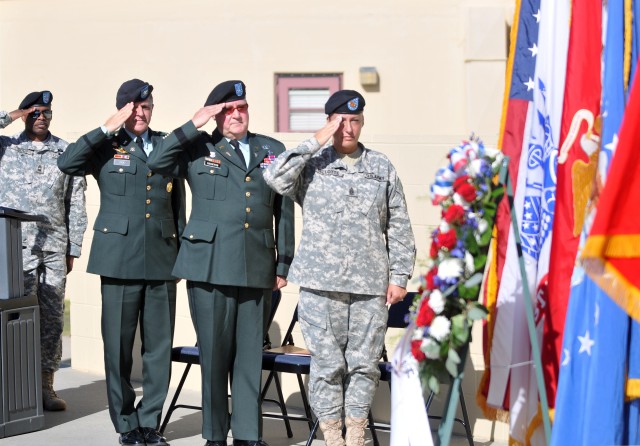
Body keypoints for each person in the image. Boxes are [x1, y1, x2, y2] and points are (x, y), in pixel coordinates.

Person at [263, 90, 416, 446]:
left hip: (370, 285)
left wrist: (399, 276)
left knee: (363, 365)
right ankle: (332, 435)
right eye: (340, 121)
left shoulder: (381, 167)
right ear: (330, 122)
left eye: (355, 121)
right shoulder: (312, 165)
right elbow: (274, 177)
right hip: (320, 284)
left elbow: (399, 224)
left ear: (362, 122)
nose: (348, 128)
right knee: (328, 364)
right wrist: (317, 139)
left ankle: (356, 433)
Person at [146, 80, 294, 446]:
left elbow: (284, 209)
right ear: (215, 114)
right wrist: (196, 122)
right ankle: (215, 434)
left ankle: (247, 434)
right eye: (227, 109)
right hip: (208, 265)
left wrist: (283, 263)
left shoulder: (271, 149)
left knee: (248, 356)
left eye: (241, 107)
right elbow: (156, 160)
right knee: (213, 356)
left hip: (257, 266)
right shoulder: (197, 147)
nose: (236, 115)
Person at [57, 79, 185, 446]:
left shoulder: (164, 145)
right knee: (117, 345)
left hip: (162, 258)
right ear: (122, 110)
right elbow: (68, 163)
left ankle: (150, 422)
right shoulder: (106, 146)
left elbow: (178, 207)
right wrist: (105, 127)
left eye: (146, 107)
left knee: (159, 347)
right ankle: (126, 424)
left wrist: (181, 255)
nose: (142, 113)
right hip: (117, 260)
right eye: (134, 107)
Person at [0, 91, 87, 412]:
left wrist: (73, 247)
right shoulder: (7, 148)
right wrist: (12, 114)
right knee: (16, 315)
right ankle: (14, 382)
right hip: (13, 248)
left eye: (46, 112)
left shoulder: (66, 151)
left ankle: (45, 385)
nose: (41, 117)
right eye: (35, 112)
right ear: (25, 114)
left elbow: (75, 202)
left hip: (53, 247)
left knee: (51, 317)